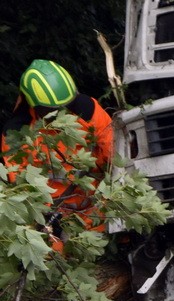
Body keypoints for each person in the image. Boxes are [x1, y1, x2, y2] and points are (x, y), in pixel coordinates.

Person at [2, 59, 114, 248]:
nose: (63, 113)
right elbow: (23, 188)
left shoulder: (87, 110)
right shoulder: (17, 135)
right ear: (36, 106)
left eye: (67, 105)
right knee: (51, 256)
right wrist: (48, 218)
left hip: (99, 207)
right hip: (57, 218)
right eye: (54, 110)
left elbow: (113, 153)